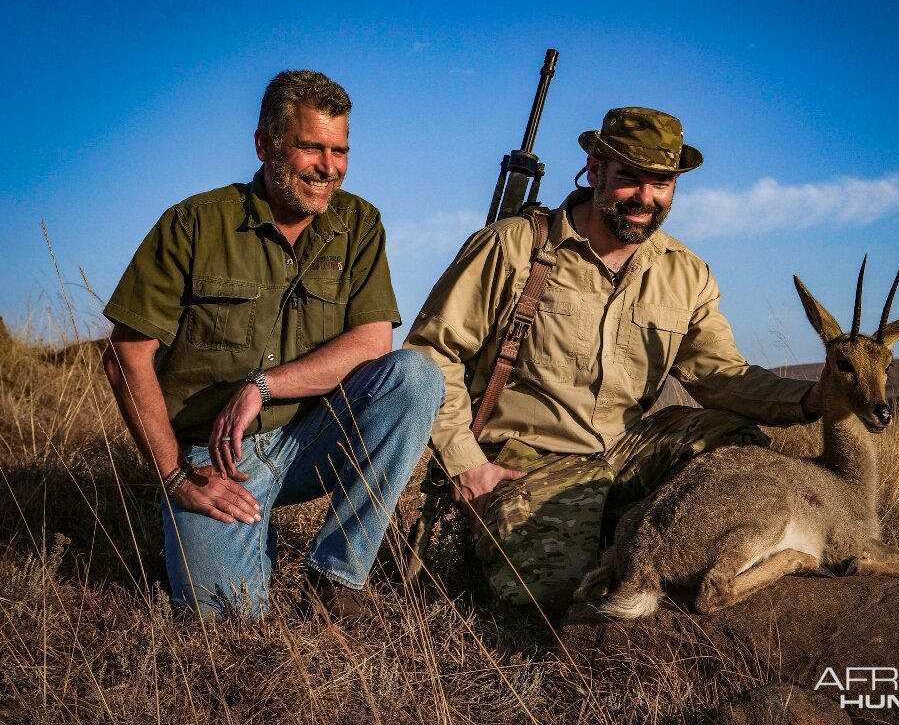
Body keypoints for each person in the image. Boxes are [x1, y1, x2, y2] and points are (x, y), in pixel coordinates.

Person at [404, 106, 825, 613]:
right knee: (554, 597)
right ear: (595, 167)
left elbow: (720, 375)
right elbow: (433, 352)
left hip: (628, 453)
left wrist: (812, 396)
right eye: (630, 178)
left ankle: (667, 543)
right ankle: (551, 539)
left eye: (662, 183)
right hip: (528, 461)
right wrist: (467, 467)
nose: (646, 199)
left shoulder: (685, 273)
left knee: (733, 442)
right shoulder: (513, 248)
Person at [103, 70, 444, 621]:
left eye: (340, 150)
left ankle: (336, 577)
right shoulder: (193, 223)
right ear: (264, 144)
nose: (327, 166)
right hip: (215, 457)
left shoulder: (359, 223)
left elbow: (373, 341)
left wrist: (263, 386)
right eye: (310, 146)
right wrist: (174, 477)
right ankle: (193, 529)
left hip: (312, 437)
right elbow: (125, 356)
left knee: (415, 377)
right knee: (228, 621)